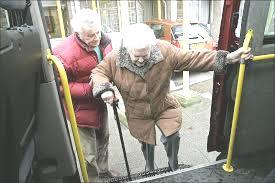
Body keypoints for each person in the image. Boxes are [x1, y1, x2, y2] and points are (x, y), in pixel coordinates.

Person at [90, 23, 253, 171]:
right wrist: (105, 89)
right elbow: (99, 72)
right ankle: (149, 167)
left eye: (144, 55)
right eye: (136, 56)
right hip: (137, 111)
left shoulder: (164, 50)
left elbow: (192, 58)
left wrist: (228, 58)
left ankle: (173, 164)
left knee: (173, 136)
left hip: (163, 104)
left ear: (151, 48)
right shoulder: (116, 57)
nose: (140, 60)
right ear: (127, 50)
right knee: (146, 142)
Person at [52, 9, 117, 179]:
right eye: (90, 36)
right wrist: (93, 89)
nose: (96, 38)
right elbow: (59, 86)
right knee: (88, 153)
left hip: (100, 102)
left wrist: (111, 84)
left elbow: (110, 65)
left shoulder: (105, 41)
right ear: (78, 33)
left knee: (104, 139)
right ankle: (93, 180)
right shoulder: (62, 53)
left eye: (98, 32)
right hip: (80, 109)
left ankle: (104, 172)